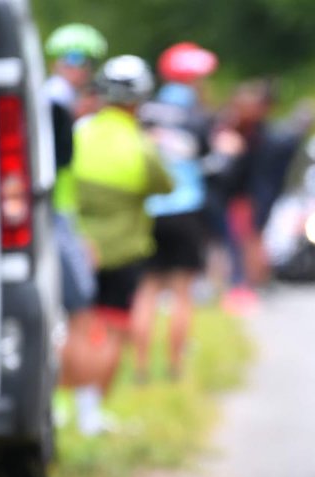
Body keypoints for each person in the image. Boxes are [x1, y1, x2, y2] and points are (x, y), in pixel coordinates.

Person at [73, 55, 174, 425]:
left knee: (77, 327)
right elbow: (165, 184)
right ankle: (93, 411)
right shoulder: (140, 145)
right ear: (139, 99)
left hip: (79, 247)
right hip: (124, 250)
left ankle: (68, 406)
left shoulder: (80, 132)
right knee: (114, 329)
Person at [133, 42, 219, 383]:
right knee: (182, 292)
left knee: (148, 289)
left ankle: (140, 369)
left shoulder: (145, 111)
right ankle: (174, 369)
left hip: (149, 209)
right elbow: (212, 163)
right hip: (186, 209)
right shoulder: (199, 117)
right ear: (194, 79)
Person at [43, 23, 112, 435]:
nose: (79, 69)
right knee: (81, 311)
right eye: (72, 59)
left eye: (83, 61)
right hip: (56, 216)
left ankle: (68, 406)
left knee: (67, 315)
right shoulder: (57, 101)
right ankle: (83, 411)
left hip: (61, 215)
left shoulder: (60, 101)